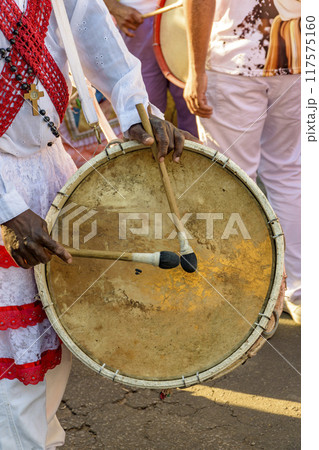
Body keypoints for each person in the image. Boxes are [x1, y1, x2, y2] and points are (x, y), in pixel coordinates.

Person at [0, 0, 194, 448]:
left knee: (53, 344)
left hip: (47, 171)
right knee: (14, 366)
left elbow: (101, 44)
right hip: (7, 190)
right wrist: (7, 210)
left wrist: (137, 114)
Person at [183, 0, 301, 324]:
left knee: (230, 182)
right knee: (289, 174)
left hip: (234, 59)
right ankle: (300, 291)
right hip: (299, 57)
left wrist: (196, 70)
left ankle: (243, 296)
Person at [103, 0, 199, 137]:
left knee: (194, 108)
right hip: (136, 21)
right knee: (143, 114)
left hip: (185, 17)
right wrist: (115, 7)